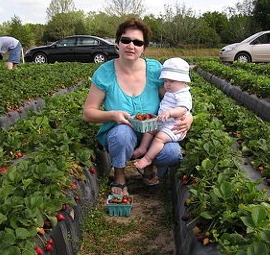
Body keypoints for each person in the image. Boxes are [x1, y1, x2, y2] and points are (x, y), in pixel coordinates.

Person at [83, 18, 193, 195]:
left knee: (172, 152)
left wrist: (188, 116)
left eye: (138, 42)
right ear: (117, 43)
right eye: (125, 40)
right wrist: (112, 115)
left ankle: (148, 168)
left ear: (144, 47)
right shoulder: (105, 72)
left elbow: (175, 98)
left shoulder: (156, 70)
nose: (131, 45)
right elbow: (88, 113)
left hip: (153, 130)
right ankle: (119, 175)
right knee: (122, 135)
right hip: (120, 131)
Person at [133, 57, 192, 170]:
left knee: (159, 138)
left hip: (174, 127)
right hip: (164, 123)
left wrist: (170, 112)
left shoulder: (183, 94)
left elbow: (183, 109)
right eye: (165, 81)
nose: (167, 84)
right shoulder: (171, 91)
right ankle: (143, 148)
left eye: (172, 81)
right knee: (149, 129)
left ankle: (147, 159)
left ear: (183, 80)